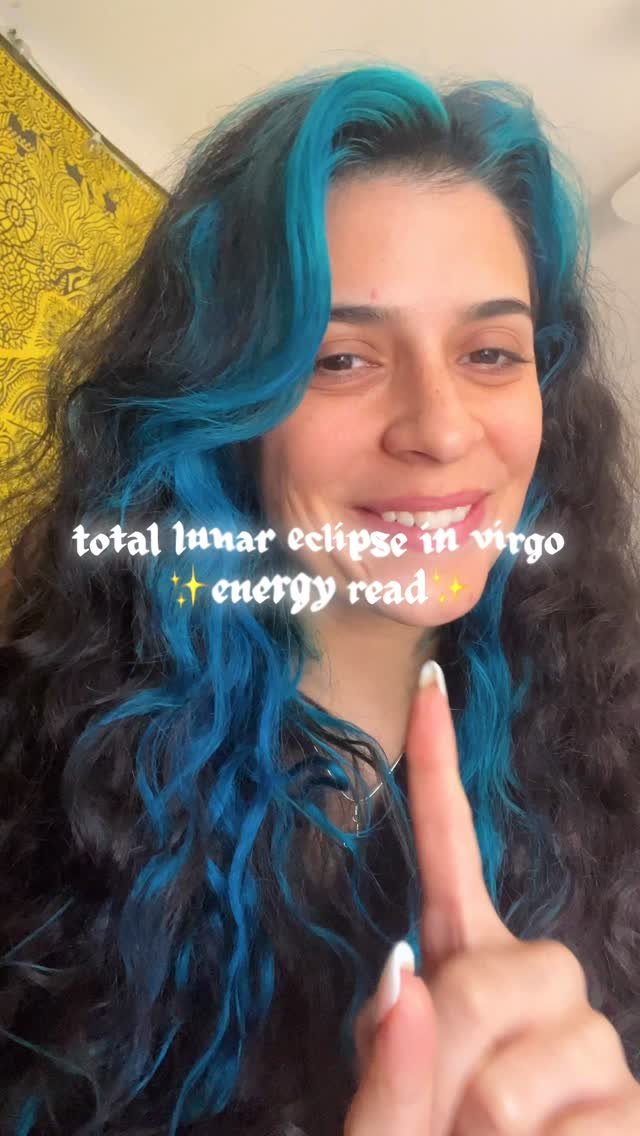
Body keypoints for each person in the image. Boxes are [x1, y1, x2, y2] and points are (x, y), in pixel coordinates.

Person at [1, 60, 640, 1135]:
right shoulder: (35, 740)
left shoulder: (618, 739)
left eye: (491, 351)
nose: (439, 428)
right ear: (226, 399)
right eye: (341, 358)